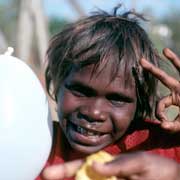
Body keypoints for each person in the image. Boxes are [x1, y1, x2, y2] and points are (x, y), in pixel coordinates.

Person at [37, 5, 180, 180]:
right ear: (58, 83)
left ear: (139, 104)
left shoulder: (162, 150)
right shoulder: (35, 146)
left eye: (117, 100)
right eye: (80, 91)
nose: (94, 112)